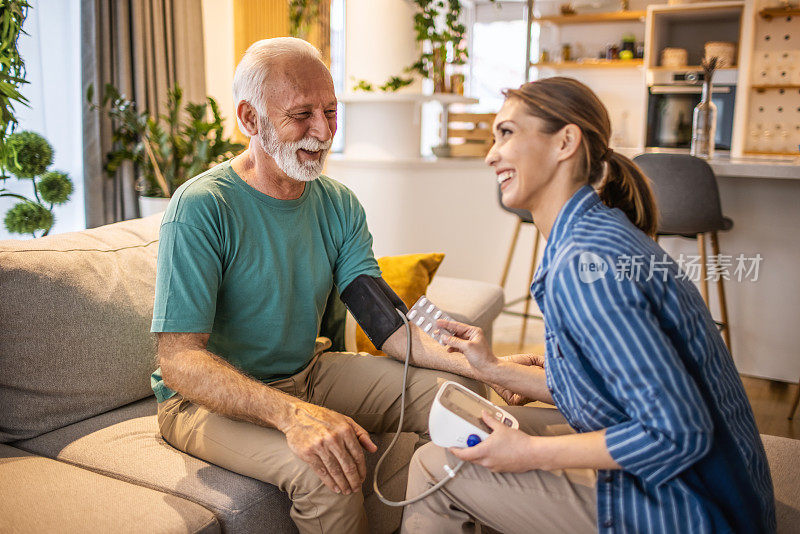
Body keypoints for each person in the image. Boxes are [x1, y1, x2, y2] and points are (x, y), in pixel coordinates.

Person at [400, 77, 776, 534]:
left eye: (507, 133)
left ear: (565, 142)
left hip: (693, 508)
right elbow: (612, 392)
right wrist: (493, 366)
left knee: (433, 468)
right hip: (714, 490)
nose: (491, 154)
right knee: (473, 432)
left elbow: (678, 432)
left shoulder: (582, 265)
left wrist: (529, 453)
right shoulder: (593, 235)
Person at [151, 37, 484, 534]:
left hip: (308, 373)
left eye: (331, 111)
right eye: (302, 114)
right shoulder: (201, 208)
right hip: (203, 403)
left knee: (459, 397)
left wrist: (489, 368)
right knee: (327, 474)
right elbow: (178, 359)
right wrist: (293, 415)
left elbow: (384, 323)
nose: (324, 131)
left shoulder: (338, 204)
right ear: (249, 119)